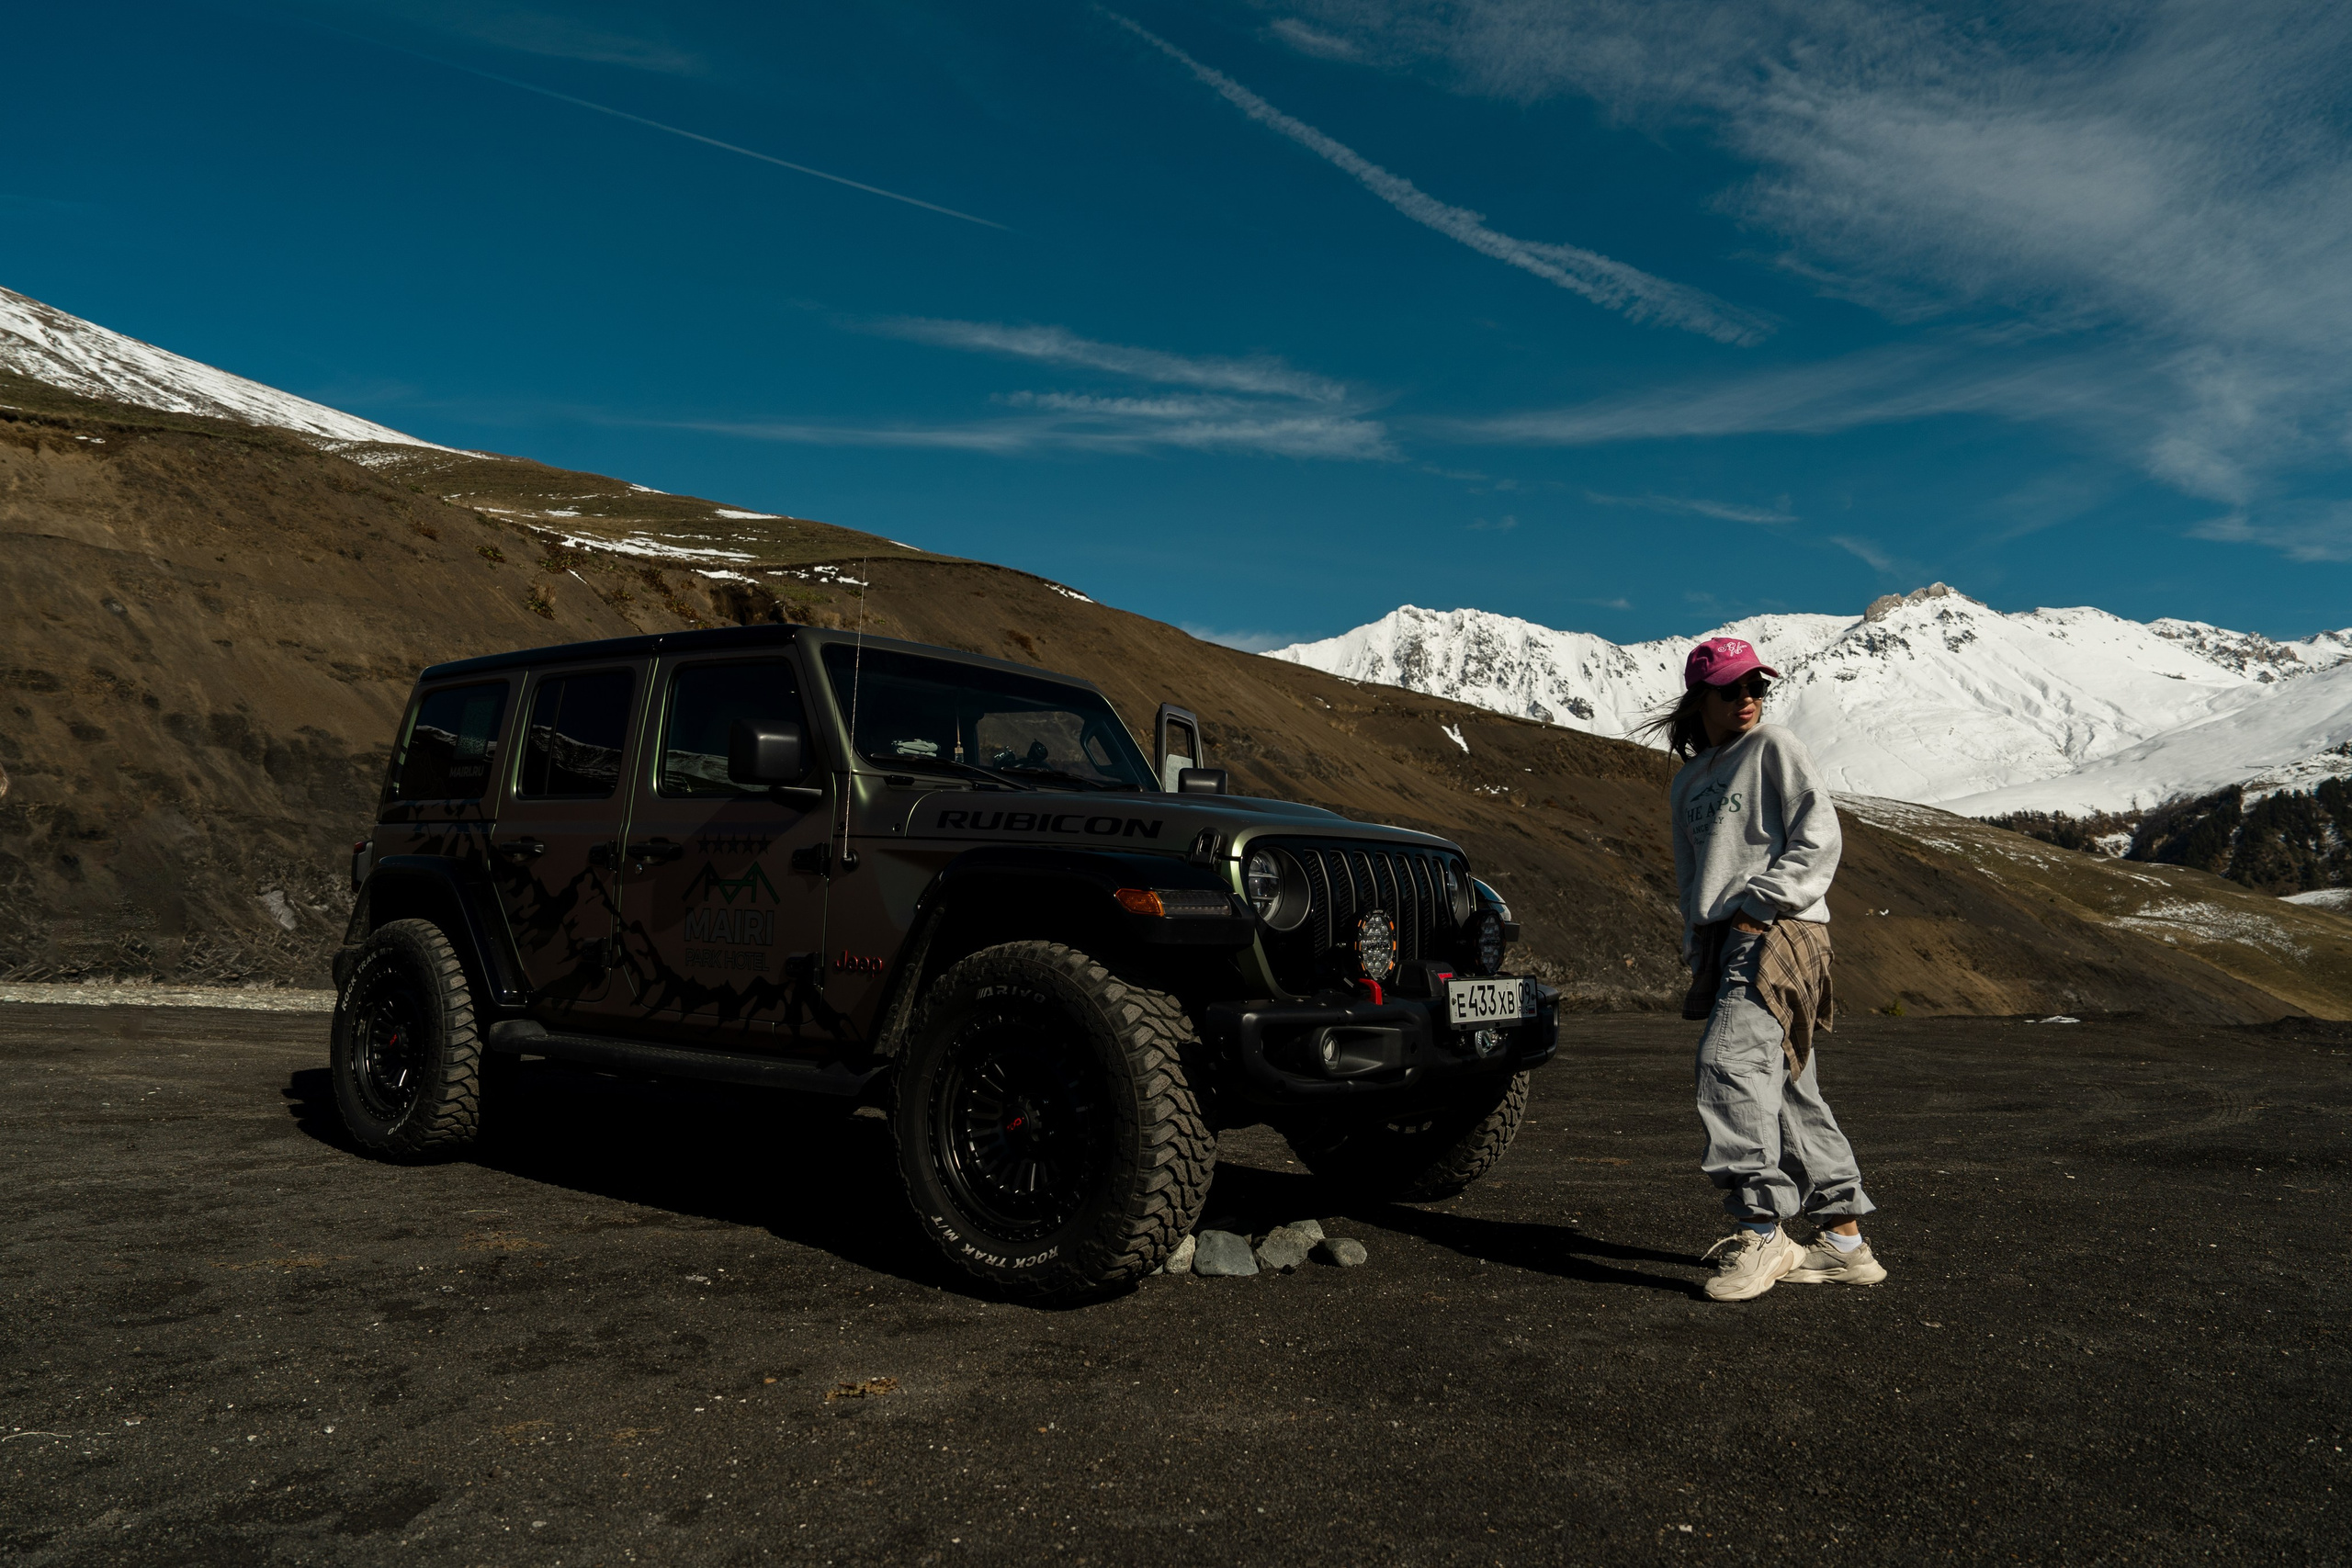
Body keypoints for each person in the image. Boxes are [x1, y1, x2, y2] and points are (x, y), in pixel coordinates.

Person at [1645, 637, 1884, 1302]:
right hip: (1727, 939)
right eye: (1732, 689)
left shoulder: (1773, 745)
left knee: (1727, 1066)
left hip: (1779, 930)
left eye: (1756, 686)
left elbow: (1819, 834)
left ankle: (1761, 1229)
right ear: (1701, 699)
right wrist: (1700, 942)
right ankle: (1844, 1244)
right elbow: (1692, 872)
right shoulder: (1688, 781)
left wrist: (1761, 905)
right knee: (1787, 1088)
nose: (1747, 698)